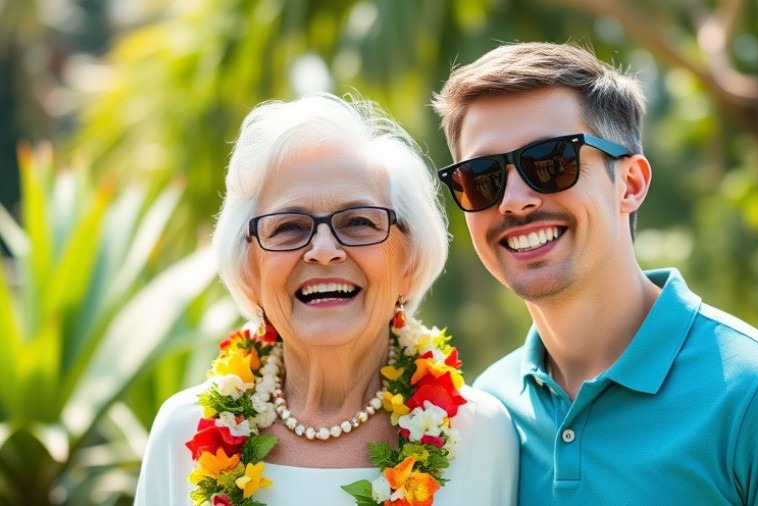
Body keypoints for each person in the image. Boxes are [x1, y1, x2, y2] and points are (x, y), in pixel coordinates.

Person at [431, 42, 758, 505]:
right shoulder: (486, 411)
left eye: (550, 162)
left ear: (630, 184)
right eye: (482, 176)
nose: (513, 200)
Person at [134, 93, 518, 505]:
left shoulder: (480, 434)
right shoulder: (184, 434)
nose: (323, 249)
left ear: (409, 263)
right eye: (288, 227)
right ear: (250, 272)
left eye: (358, 222)